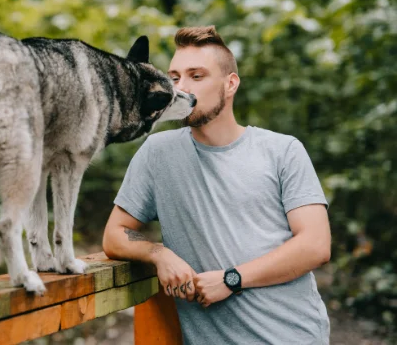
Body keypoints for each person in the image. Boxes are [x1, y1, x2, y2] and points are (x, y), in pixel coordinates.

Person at [102, 26, 331, 344]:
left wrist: (231, 279)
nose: (181, 88)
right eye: (175, 77)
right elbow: (114, 235)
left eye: (197, 76)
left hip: (292, 335)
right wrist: (159, 254)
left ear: (230, 84)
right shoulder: (157, 154)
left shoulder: (282, 150)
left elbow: (316, 246)